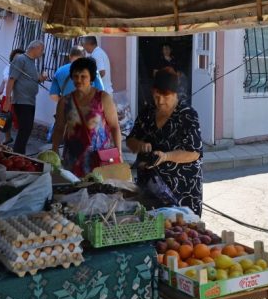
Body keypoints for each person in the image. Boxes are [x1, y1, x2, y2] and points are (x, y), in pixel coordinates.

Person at [126, 69, 204, 215]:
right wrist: (139, 145)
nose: (160, 101)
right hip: (149, 187)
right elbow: (130, 141)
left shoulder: (187, 115)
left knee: (181, 231)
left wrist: (166, 156)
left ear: (175, 94)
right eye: (156, 96)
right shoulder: (147, 113)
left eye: (165, 96)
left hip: (181, 188)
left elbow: (194, 153)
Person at [51, 57, 121, 177]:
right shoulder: (65, 101)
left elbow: (114, 126)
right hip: (72, 158)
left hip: (99, 158)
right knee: (73, 190)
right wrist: (55, 150)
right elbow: (59, 128)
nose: (78, 80)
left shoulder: (103, 98)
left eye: (83, 76)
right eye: (75, 76)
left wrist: (118, 152)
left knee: (98, 190)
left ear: (91, 78)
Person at [6, 40, 47, 154]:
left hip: (29, 101)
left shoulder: (31, 62)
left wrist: (41, 78)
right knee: (25, 129)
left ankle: (19, 153)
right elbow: (12, 79)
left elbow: (32, 79)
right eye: (42, 50)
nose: (42, 53)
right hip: (22, 100)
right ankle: (18, 154)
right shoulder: (20, 59)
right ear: (36, 48)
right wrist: (8, 99)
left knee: (26, 130)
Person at [0, 48, 24, 145]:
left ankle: (20, 141)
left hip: (17, 99)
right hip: (6, 97)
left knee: (18, 121)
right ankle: (7, 138)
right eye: (16, 58)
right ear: (12, 58)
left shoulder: (24, 71)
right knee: (4, 119)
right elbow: (4, 81)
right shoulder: (8, 67)